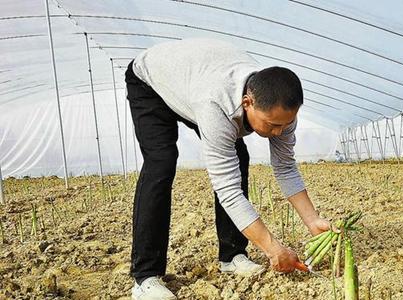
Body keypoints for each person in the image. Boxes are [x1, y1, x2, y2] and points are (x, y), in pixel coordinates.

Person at [125, 38, 330, 300]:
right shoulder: (215, 105)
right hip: (151, 81)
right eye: (271, 124)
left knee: (238, 155)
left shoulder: (280, 113)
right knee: (161, 163)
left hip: (193, 80)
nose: (279, 131)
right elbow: (228, 189)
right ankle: (145, 278)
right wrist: (271, 247)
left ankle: (232, 256)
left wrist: (312, 220)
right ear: (247, 103)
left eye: (285, 124)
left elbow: (285, 167)